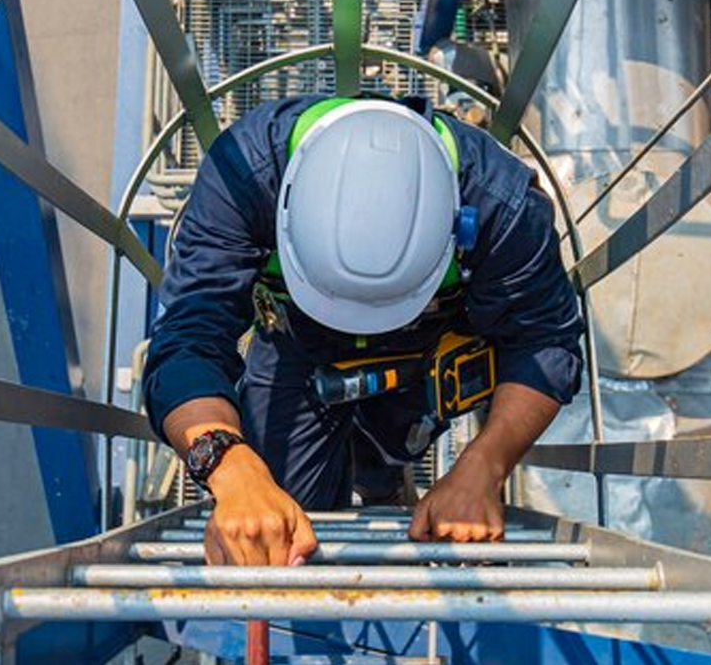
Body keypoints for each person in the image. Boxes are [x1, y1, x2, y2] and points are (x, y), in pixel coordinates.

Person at [142, 94, 584, 567]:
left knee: (391, 447)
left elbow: (543, 341)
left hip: (424, 343)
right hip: (296, 339)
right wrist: (229, 464)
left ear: (457, 226)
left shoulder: (502, 205)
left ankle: (384, 479)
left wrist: (485, 465)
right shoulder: (243, 174)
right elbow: (189, 337)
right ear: (285, 208)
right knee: (282, 524)